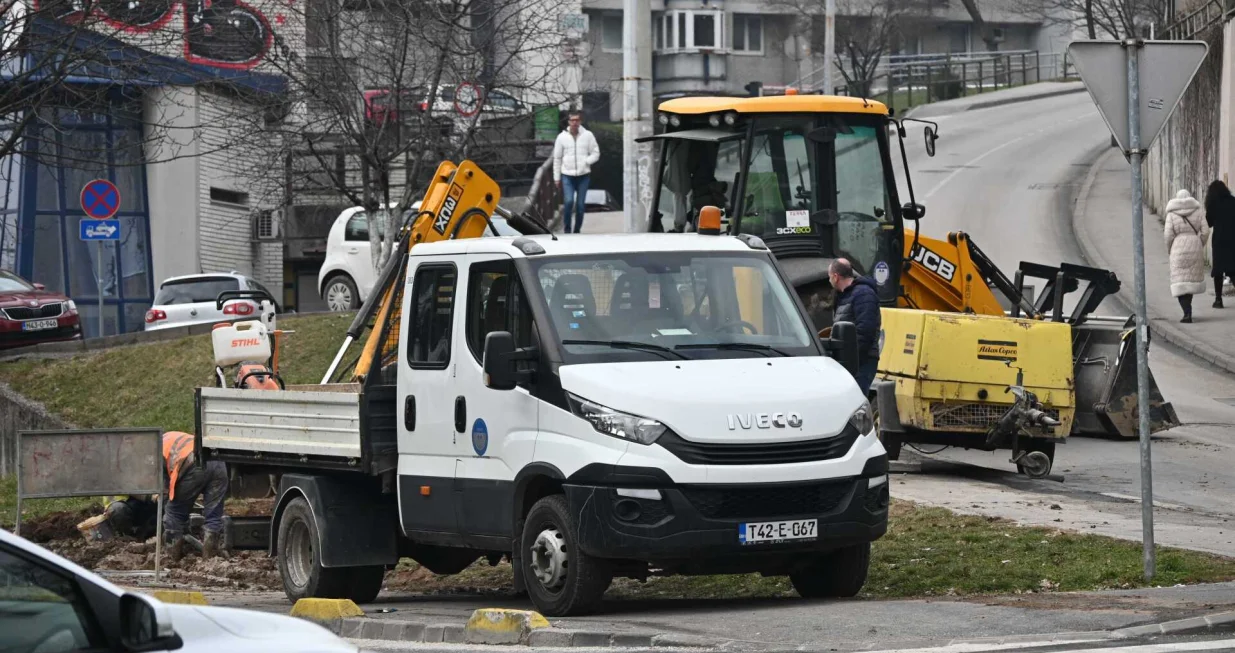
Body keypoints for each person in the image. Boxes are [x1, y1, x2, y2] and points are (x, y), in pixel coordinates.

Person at [162, 431, 229, 561]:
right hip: (218, 462)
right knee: (214, 516)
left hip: (194, 463)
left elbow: (164, 485)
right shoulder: (171, 437)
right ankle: (210, 559)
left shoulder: (154, 450)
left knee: (174, 512)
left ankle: (171, 558)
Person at [830, 258, 881, 395]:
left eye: (830, 276)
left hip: (861, 362)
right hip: (848, 362)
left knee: (855, 399)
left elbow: (865, 331)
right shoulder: (843, 296)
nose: (829, 280)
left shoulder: (863, 294)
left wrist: (850, 358)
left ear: (835, 277)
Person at [1164, 189, 1209, 323]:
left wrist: (1170, 248)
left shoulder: (1172, 214)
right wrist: (1199, 243)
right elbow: (1205, 231)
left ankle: (1186, 312)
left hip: (1178, 247)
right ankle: (1188, 310)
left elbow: (1168, 235)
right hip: (1195, 245)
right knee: (1190, 280)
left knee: (1180, 282)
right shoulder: (1198, 211)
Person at [553, 111, 600, 234]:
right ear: (568, 122)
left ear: (580, 122)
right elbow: (557, 158)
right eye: (572, 120)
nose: (574, 123)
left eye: (577, 120)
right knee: (568, 202)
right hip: (567, 175)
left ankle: (577, 230)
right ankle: (567, 229)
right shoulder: (561, 137)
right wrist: (556, 178)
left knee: (580, 206)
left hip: (583, 175)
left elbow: (596, 153)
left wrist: (587, 161)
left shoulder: (588, 135)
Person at [1204, 179, 1235, 307]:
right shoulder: (1233, 201)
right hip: (1233, 240)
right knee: (1233, 269)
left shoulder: (1213, 204)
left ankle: (1218, 299)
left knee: (1218, 271)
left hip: (1219, 241)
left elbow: (1209, 223)